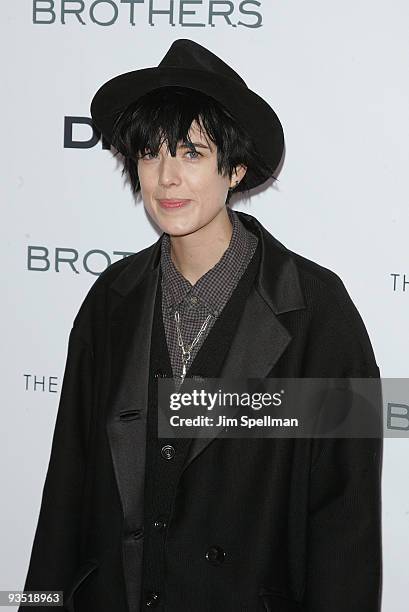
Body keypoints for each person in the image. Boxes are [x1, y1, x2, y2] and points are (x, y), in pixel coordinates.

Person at [20, 39, 382, 611]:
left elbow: (347, 517)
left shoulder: (317, 309)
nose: (167, 178)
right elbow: (65, 491)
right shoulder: (109, 303)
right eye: (149, 153)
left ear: (234, 167)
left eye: (190, 152)